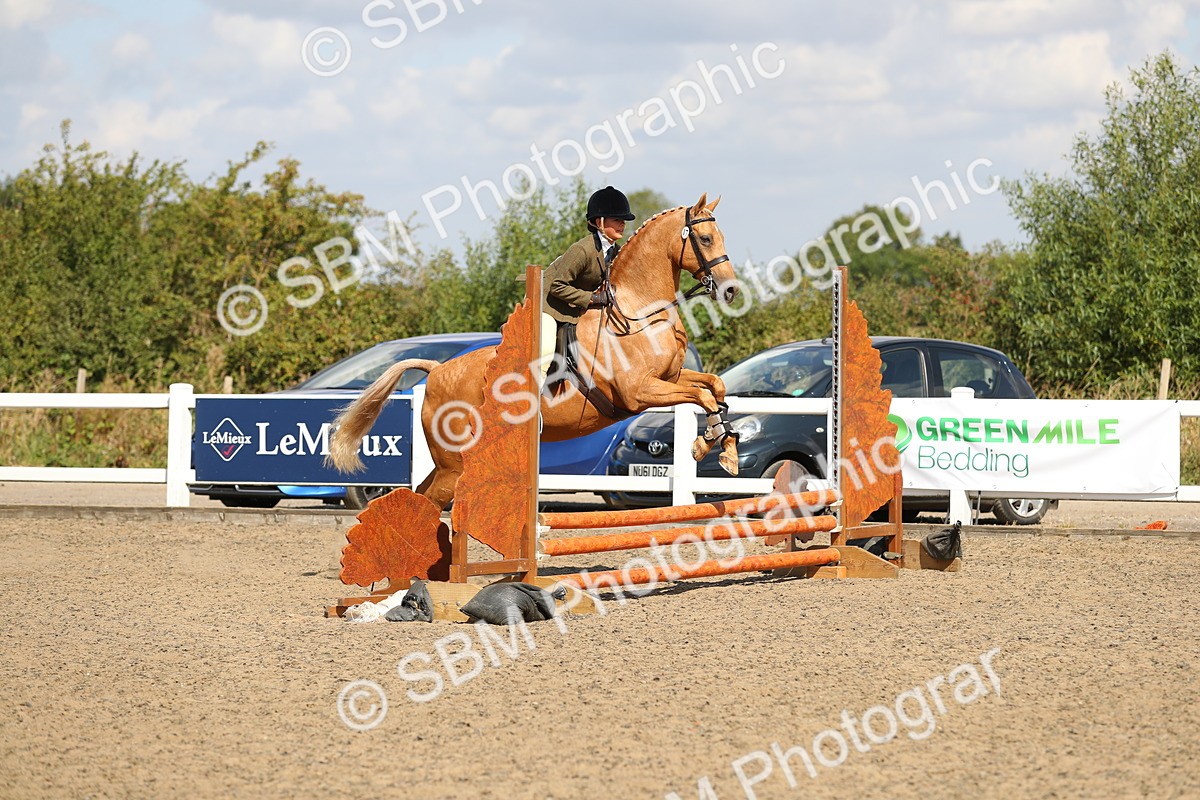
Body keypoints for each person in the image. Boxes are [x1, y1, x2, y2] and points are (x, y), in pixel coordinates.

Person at [542, 186, 635, 373]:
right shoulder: (582, 250)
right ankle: (536, 393)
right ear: (598, 222)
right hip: (549, 305)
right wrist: (592, 298)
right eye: (616, 220)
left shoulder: (616, 252)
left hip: (575, 309)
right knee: (545, 355)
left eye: (623, 220)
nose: (622, 225)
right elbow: (557, 286)